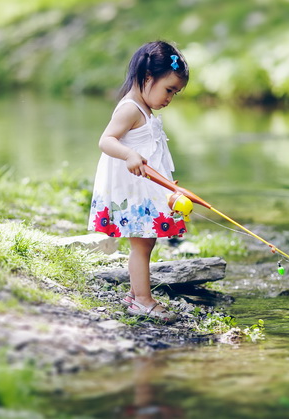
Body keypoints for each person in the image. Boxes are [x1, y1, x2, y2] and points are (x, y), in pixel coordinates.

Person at [88, 41, 189, 324]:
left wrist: (165, 184)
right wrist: (129, 154)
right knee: (142, 244)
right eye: (169, 90)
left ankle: (135, 293)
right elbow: (106, 140)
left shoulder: (145, 110)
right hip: (131, 191)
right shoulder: (130, 109)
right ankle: (142, 300)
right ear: (147, 78)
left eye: (175, 93)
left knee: (147, 240)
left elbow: (153, 153)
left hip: (144, 189)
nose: (170, 98)